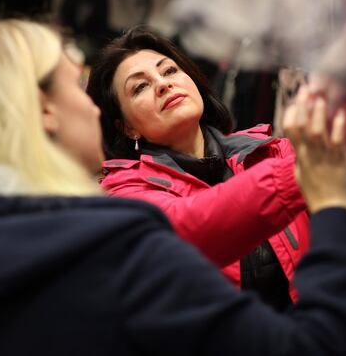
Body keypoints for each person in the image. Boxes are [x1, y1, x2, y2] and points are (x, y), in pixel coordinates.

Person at [0, 18, 346, 356]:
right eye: (77, 85)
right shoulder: (107, 238)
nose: (91, 108)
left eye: (169, 71)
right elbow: (317, 344)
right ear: (45, 110)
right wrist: (319, 187)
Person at [86, 27, 308, 310]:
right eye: (140, 86)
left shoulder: (269, 153)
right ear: (127, 126)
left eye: (169, 71)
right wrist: (307, 169)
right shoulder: (125, 195)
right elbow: (193, 225)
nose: (163, 84)